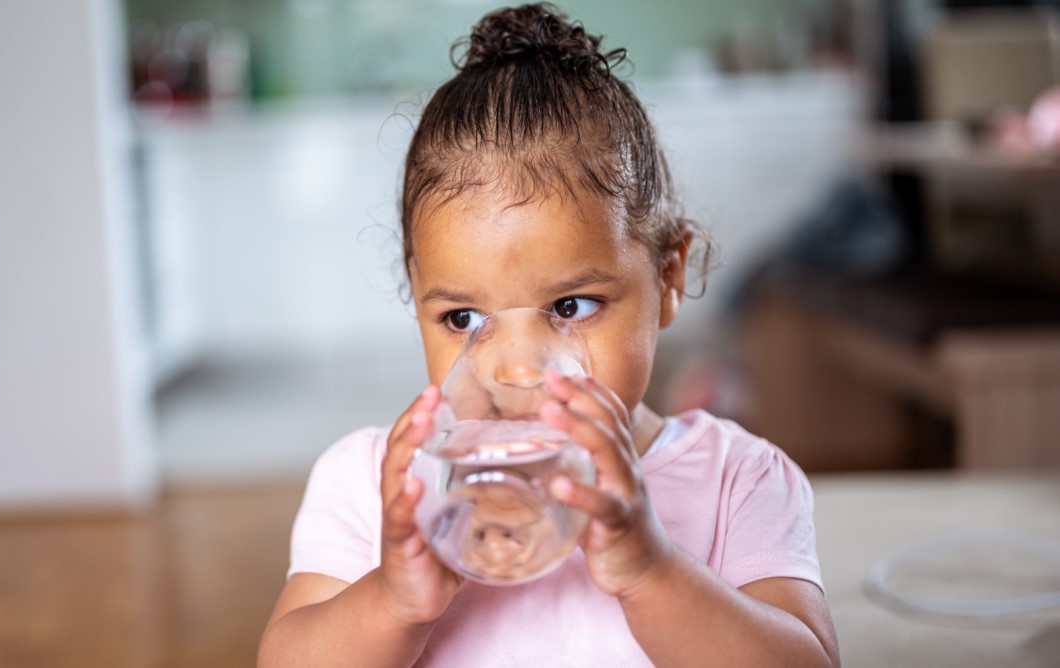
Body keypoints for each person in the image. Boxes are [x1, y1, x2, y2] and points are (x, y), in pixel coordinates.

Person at [258, 4, 840, 666]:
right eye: (463, 320)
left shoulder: (738, 480)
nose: (516, 369)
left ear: (668, 277)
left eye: (571, 305)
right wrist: (393, 599)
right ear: (415, 295)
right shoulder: (377, 487)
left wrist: (653, 571)